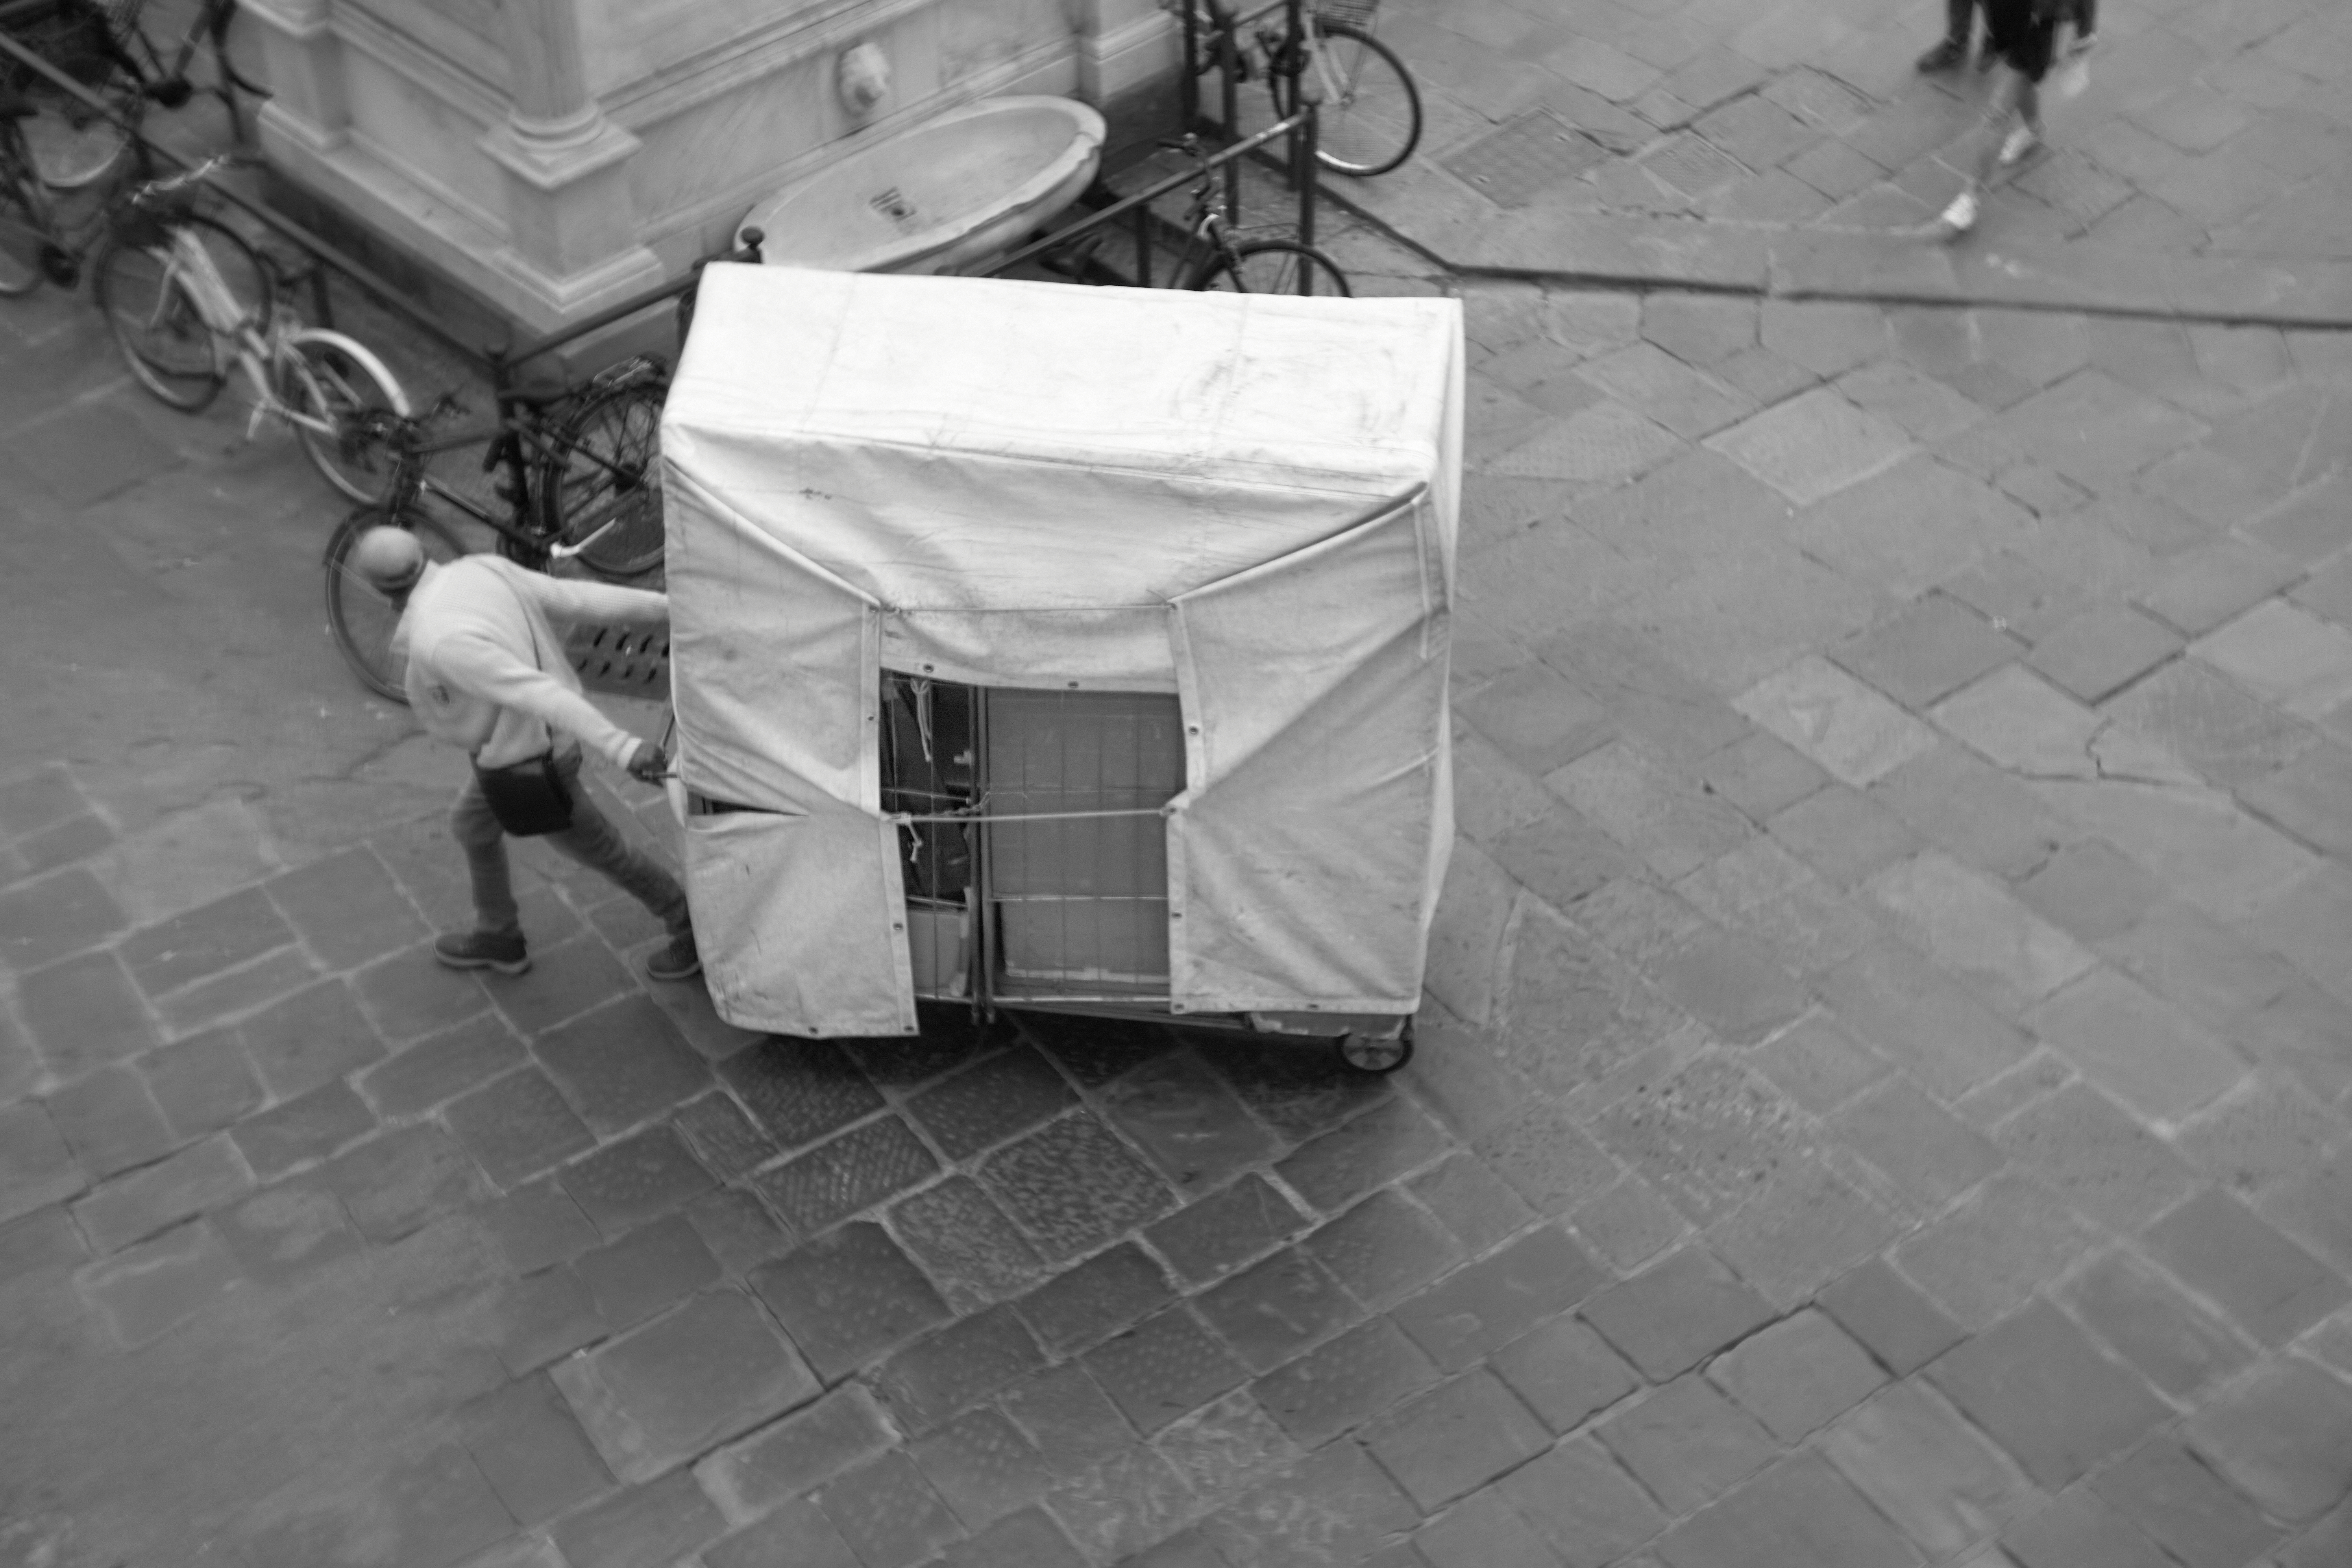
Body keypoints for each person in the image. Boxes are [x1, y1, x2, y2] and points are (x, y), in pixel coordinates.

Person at [349, 526, 699, 981]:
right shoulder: (480, 570)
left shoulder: (439, 640)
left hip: (530, 757)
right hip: (512, 748)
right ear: (423, 553)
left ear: (380, 589)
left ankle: (686, 925)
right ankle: (499, 935)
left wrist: (623, 746)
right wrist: (670, 610)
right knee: (472, 826)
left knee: (603, 851)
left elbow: (537, 692)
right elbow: (574, 597)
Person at [1936, 0, 2080, 236]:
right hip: (2006, 27)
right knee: (2022, 86)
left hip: (2033, 36)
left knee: (1997, 115)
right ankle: (2034, 129)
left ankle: (1969, 199)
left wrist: (2083, 41)